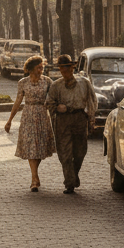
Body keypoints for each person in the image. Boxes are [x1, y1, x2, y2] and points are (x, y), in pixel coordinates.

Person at [45, 53, 97, 194]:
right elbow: (48, 103)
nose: (65, 72)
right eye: (62, 69)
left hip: (80, 118)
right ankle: (69, 183)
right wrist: (57, 108)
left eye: (67, 68)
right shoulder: (56, 86)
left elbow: (92, 100)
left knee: (80, 152)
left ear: (73, 68)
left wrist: (91, 119)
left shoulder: (84, 82)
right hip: (63, 121)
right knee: (65, 153)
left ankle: (73, 175)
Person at [4, 54, 56, 191]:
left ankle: (34, 175)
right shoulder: (23, 83)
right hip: (28, 116)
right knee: (31, 147)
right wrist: (9, 120)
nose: (41, 70)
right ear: (31, 69)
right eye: (38, 68)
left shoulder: (48, 82)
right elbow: (18, 101)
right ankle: (34, 178)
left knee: (40, 148)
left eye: (42, 67)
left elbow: (53, 100)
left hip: (42, 116)